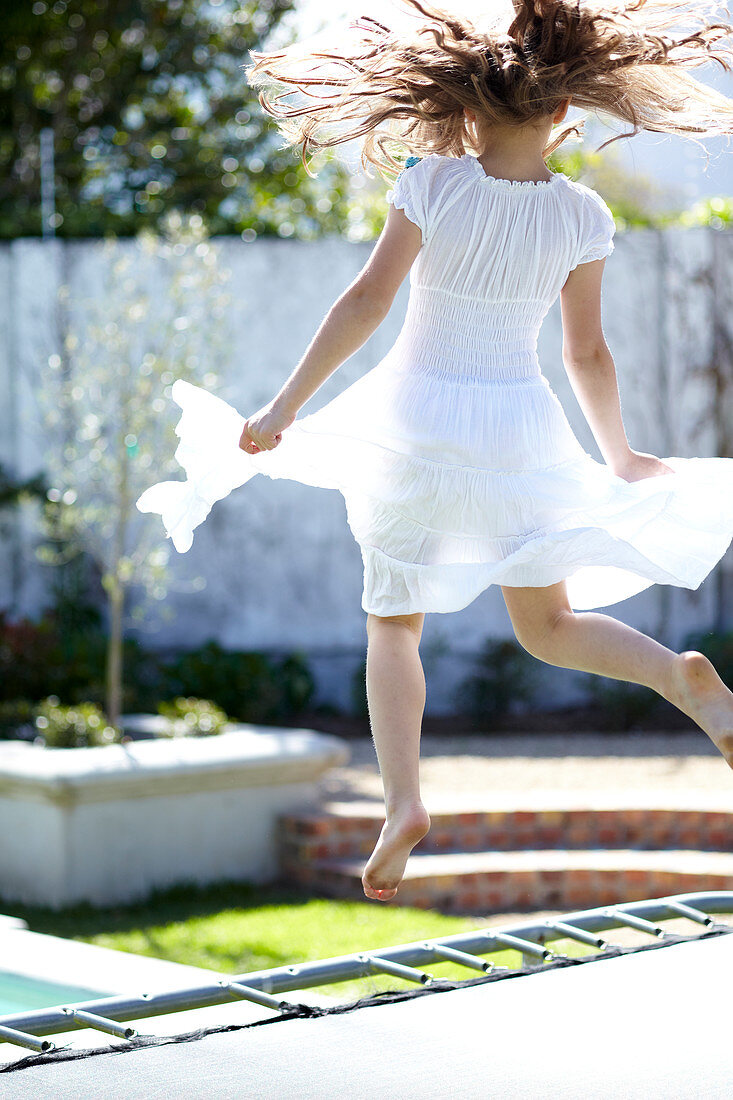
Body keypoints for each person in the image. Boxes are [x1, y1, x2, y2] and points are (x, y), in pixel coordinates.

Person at [138, 0, 733, 902]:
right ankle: (676, 676)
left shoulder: (432, 182)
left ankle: (405, 802)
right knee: (548, 627)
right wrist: (618, 456)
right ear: (566, 117)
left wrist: (283, 405)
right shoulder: (581, 216)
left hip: (415, 421)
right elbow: (585, 354)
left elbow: (364, 304)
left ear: (463, 108)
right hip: (520, 427)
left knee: (392, 622)